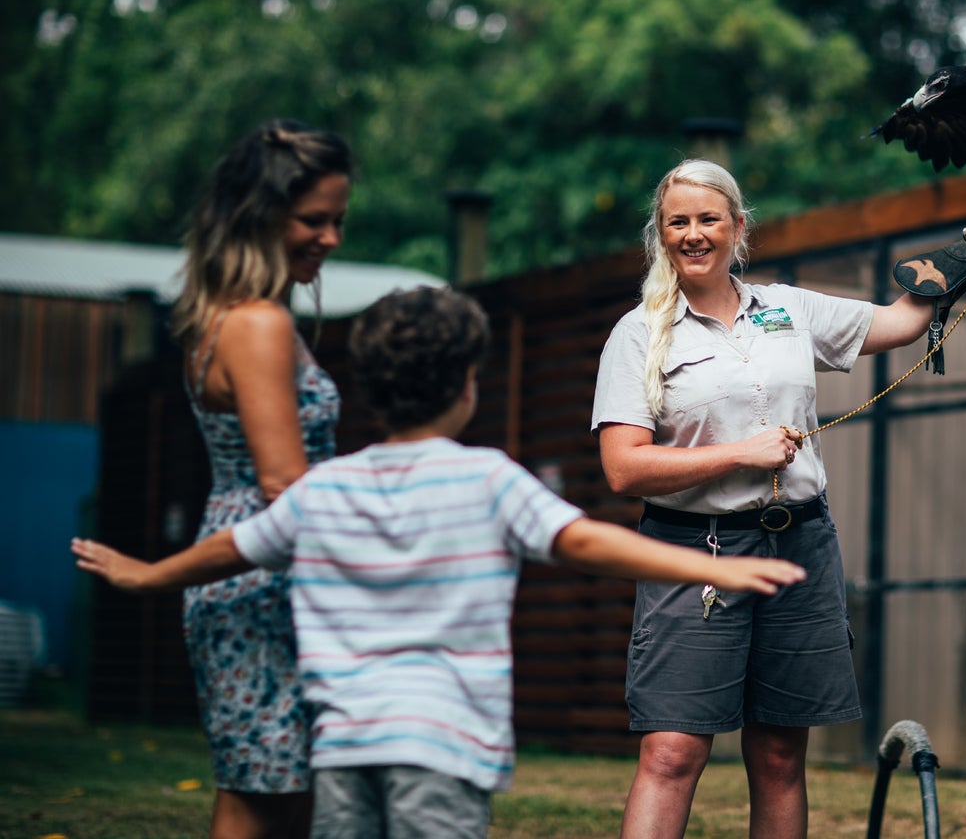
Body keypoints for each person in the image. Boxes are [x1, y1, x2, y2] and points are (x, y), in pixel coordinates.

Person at [75, 286, 807, 839]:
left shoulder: (326, 487)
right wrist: (712, 568)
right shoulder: (487, 477)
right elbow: (584, 541)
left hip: (339, 749)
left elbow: (232, 549)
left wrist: (146, 574)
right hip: (442, 746)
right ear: (466, 387)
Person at [592, 158, 966, 839]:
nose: (693, 234)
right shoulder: (639, 333)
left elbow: (896, 324)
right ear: (660, 234)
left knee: (779, 752)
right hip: (695, 552)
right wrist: (742, 453)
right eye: (677, 222)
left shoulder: (789, 307)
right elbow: (623, 469)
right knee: (672, 750)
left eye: (708, 219)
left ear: (738, 227)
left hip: (799, 547)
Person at [168, 119, 353, 838]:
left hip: (256, 563)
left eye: (338, 221)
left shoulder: (227, 317)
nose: (330, 239)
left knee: (279, 788)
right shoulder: (257, 325)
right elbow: (285, 485)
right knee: (263, 793)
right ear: (261, 214)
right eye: (314, 220)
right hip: (266, 572)